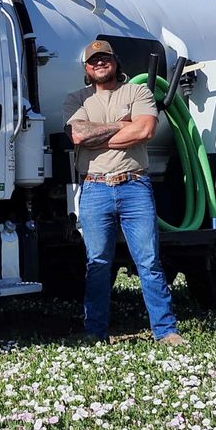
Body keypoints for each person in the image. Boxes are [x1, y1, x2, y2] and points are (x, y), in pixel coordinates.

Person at [63, 39, 187, 346]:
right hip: (94, 187)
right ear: (86, 69)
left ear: (116, 62)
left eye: (105, 58)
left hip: (134, 185)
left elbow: (145, 130)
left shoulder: (138, 91)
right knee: (98, 263)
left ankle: (166, 331)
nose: (99, 64)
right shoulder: (76, 98)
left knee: (148, 261)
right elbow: (78, 134)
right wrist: (122, 127)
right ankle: (95, 332)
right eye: (93, 61)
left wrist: (101, 136)